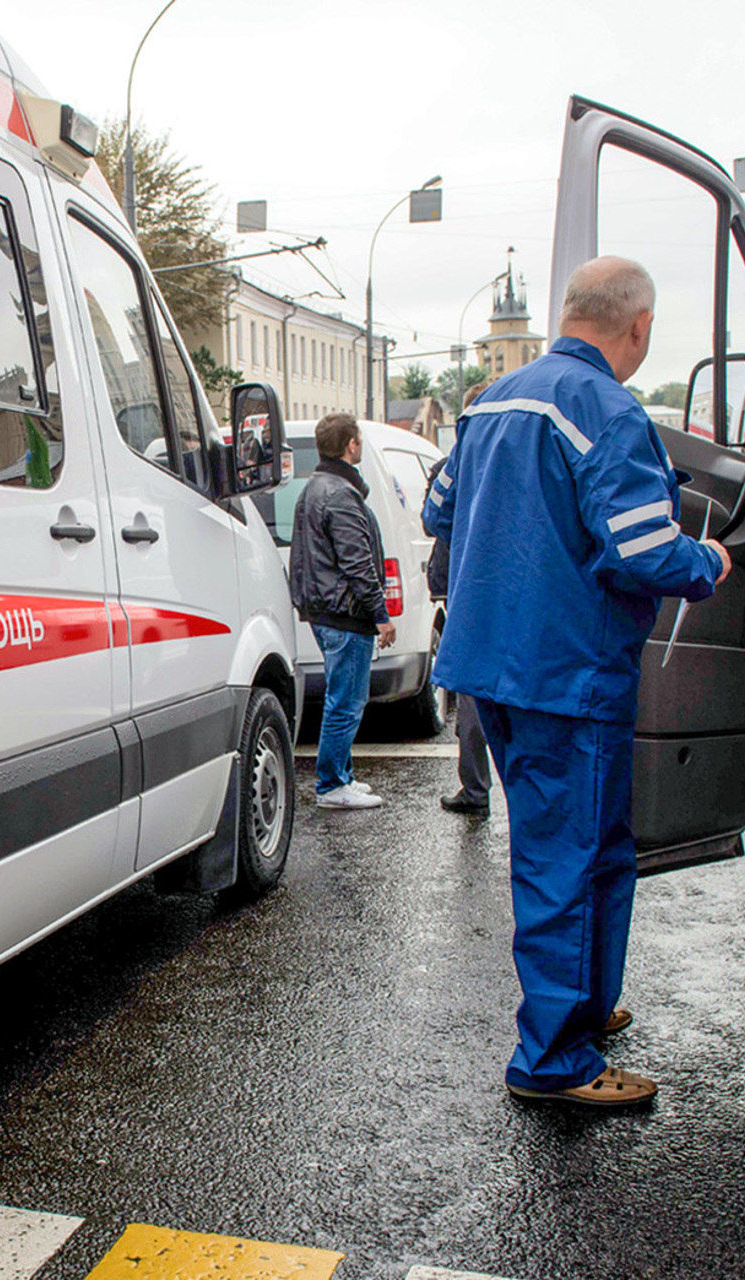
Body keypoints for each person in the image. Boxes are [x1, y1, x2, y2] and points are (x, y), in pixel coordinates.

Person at [424, 256, 731, 1108]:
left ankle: (586, 1005)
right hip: (570, 672)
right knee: (576, 857)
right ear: (637, 328)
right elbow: (643, 552)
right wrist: (709, 558)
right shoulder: (611, 411)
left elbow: (436, 510)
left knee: (572, 852)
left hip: (492, 667)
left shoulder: (493, 401)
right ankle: (555, 1058)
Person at [289, 413, 396, 809]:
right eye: (359, 439)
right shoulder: (340, 494)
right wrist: (380, 615)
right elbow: (357, 564)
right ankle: (332, 785)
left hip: (325, 610)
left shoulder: (315, 487)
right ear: (351, 444)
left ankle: (342, 775)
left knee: (343, 695)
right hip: (345, 613)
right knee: (347, 701)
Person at [424, 378, 492, 817]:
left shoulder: (458, 460)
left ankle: (476, 788)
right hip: (506, 589)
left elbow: (433, 516)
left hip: (464, 588)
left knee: (471, 693)